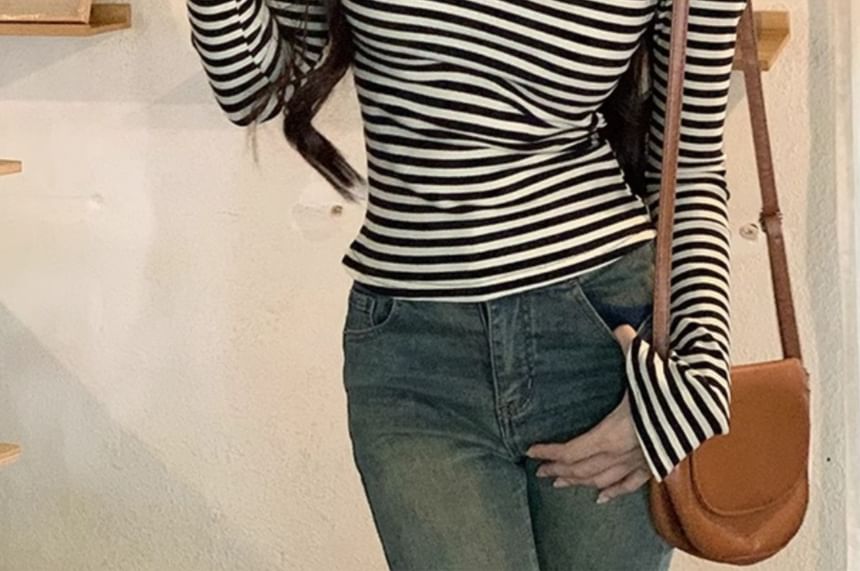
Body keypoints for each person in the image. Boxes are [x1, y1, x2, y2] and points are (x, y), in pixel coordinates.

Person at [185, 0, 747, 568]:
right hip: (417, 358)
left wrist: (700, 378)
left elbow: (690, 165)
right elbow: (258, 89)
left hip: (601, 344)